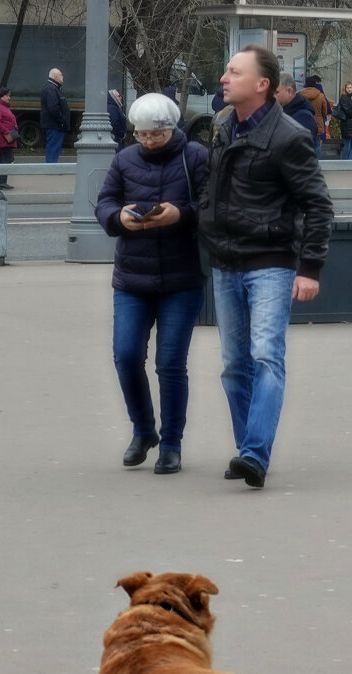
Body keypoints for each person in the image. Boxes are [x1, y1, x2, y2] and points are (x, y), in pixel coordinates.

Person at [197, 45, 334, 489]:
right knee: (234, 365)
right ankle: (247, 451)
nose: (223, 77)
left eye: (234, 71)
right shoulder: (221, 126)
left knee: (265, 357)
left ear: (262, 85)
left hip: (271, 262)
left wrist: (309, 268)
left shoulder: (289, 136)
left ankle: (255, 454)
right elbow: (211, 190)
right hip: (225, 261)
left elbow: (318, 206)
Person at [94, 93, 210, 476]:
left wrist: (181, 214)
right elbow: (105, 201)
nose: (147, 142)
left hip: (182, 278)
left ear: (170, 129)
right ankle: (143, 431)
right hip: (132, 277)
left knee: (170, 364)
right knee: (126, 356)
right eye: (141, 135)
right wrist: (118, 219)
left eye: (154, 135)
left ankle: (172, 444)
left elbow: (212, 207)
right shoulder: (125, 159)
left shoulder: (194, 156)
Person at [40, 67, 71, 163]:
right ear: (55, 77)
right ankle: (51, 168)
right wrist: (62, 120)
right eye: (61, 75)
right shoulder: (51, 89)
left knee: (54, 147)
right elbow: (53, 108)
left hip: (55, 125)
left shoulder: (53, 88)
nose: (63, 77)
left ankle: (52, 167)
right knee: (53, 147)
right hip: (55, 125)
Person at [0, 87, 17, 190]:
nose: (9, 97)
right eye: (7, 95)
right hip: (4, 139)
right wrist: (7, 132)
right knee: (5, 160)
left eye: (9, 95)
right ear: (2, 96)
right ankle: (2, 182)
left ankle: (1, 182)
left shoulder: (3, 107)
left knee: (4, 160)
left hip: (7, 138)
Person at [275, 73, 318, 137]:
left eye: (276, 92)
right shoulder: (283, 111)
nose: (272, 96)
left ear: (289, 91)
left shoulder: (304, 117)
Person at [299, 76, 327, 157]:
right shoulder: (321, 96)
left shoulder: (300, 95)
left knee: (304, 145)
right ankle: (317, 164)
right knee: (317, 145)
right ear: (315, 84)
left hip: (304, 123)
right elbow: (324, 112)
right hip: (317, 124)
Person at [336, 81, 352, 159]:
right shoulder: (344, 98)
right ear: (345, 89)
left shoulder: (348, 98)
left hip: (349, 124)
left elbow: (349, 111)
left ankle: (350, 161)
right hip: (346, 123)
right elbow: (348, 111)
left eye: (350, 87)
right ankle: (346, 162)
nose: (349, 89)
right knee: (348, 143)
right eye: (347, 88)